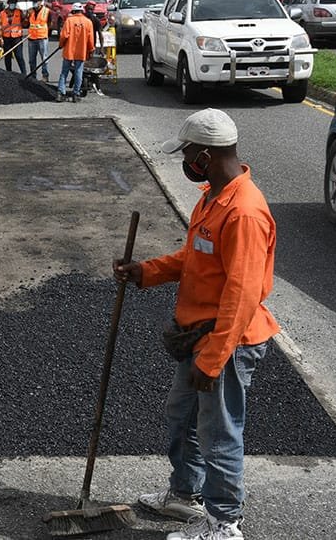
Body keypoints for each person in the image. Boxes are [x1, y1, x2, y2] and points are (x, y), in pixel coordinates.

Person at [113, 108, 279, 540]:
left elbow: (242, 295)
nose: (185, 160)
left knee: (218, 433)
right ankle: (186, 496)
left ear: (205, 154)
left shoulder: (243, 212)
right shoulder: (212, 197)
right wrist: (146, 271)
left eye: (188, 152)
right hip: (199, 333)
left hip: (227, 340)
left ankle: (225, 523)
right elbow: (195, 257)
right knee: (181, 417)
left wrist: (214, 358)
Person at [57, 2, 94, 103]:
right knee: (78, 72)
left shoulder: (69, 21)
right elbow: (90, 40)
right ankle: (76, 94)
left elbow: (64, 36)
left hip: (69, 50)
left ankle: (61, 93)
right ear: (82, 11)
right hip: (81, 51)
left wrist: (61, 44)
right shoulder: (88, 22)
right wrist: (91, 50)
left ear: (73, 11)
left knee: (64, 72)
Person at [0, 0, 27, 75]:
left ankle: (24, 74)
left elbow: (25, 24)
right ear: (8, 3)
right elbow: (0, 27)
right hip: (6, 38)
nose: (12, 4)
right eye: (11, 3)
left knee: (19, 56)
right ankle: (8, 74)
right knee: (7, 57)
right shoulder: (2, 13)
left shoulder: (19, 12)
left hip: (17, 38)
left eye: (14, 3)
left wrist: (26, 16)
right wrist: (0, 38)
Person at [26, 0, 51, 82]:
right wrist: (27, 15)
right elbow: (26, 24)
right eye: (33, 2)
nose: (34, 3)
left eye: (36, 1)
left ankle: (45, 75)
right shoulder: (30, 11)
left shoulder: (47, 11)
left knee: (44, 59)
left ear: (40, 2)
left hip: (42, 38)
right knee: (31, 60)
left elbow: (50, 24)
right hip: (31, 38)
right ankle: (33, 76)